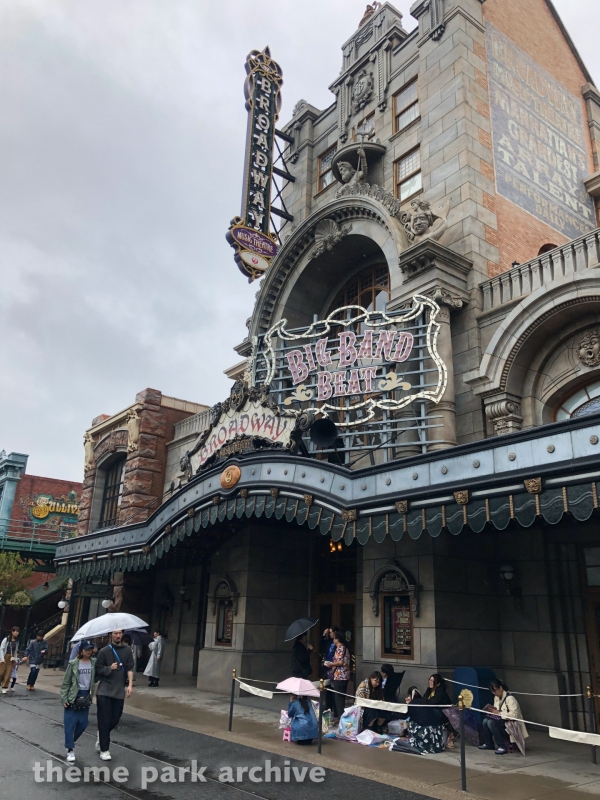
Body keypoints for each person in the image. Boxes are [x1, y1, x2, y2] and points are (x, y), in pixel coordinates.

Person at [94, 629, 134, 760]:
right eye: (115, 633)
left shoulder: (127, 650)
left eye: (120, 633)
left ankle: (102, 734)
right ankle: (104, 750)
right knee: (104, 720)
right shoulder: (104, 651)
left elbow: (129, 668)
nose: (118, 636)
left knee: (115, 719)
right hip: (104, 691)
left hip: (118, 691)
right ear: (110, 634)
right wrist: (109, 668)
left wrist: (130, 685)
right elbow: (98, 670)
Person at [60, 639, 96, 763]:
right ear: (81, 650)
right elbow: (66, 682)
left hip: (86, 696)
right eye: (87, 649)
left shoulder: (94, 663)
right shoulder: (74, 663)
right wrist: (64, 698)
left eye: (91, 649)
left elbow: (99, 674)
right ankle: (70, 749)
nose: (89, 651)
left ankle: (69, 741)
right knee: (70, 723)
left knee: (83, 723)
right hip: (73, 695)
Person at [479, 679, 528, 755]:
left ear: (501, 688)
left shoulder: (510, 699)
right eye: (492, 692)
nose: (494, 693)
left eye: (495, 691)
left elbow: (514, 715)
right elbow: (497, 711)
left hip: (510, 725)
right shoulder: (496, 698)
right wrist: (492, 711)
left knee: (490, 722)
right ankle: (489, 743)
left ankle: (502, 746)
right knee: (485, 721)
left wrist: (499, 713)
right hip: (501, 721)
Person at [403, 686, 446, 754]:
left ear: (409, 696)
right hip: (436, 732)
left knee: (410, 721)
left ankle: (418, 742)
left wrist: (407, 704)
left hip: (423, 730)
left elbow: (405, 715)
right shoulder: (426, 701)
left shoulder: (413, 703)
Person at [423, 673, 455, 748]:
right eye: (430, 680)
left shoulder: (441, 692)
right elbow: (424, 699)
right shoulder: (429, 690)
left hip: (442, 713)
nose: (430, 682)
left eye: (432, 681)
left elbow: (431, 702)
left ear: (438, 684)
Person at [324, 630, 350, 721]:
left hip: (340, 676)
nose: (333, 640)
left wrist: (330, 664)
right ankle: (340, 717)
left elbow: (340, 662)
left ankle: (340, 718)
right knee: (340, 698)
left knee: (338, 698)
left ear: (337, 639)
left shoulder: (340, 648)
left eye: (334, 638)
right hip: (343, 676)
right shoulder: (343, 648)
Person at [0, 627, 20, 694]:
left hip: (11, 658)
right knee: (1, 672)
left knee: (8, 673)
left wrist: (15, 660)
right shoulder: (6, 639)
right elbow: (2, 648)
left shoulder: (17, 641)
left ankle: (4, 687)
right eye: (15, 631)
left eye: (18, 632)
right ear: (12, 632)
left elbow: (15, 651)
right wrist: (2, 658)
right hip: (5, 656)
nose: (17, 633)